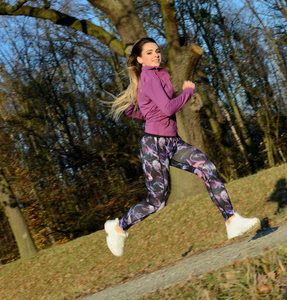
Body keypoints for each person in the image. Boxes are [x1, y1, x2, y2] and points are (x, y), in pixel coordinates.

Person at [104, 37, 261, 257]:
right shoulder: (149, 76)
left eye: (157, 51)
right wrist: (187, 92)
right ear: (140, 59)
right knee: (156, 202)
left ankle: (231, 220)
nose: (156, 54)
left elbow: (153, 110)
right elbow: (168, 109)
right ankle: (118, 227)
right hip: (154, 147)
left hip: (172, 142)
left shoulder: (161, 75)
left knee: (207, 168)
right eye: (149, 52)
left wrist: (141, 111)